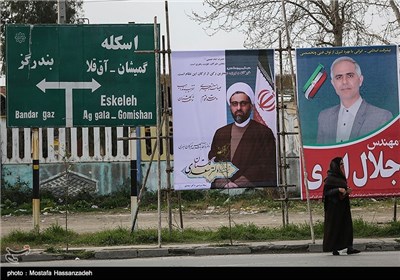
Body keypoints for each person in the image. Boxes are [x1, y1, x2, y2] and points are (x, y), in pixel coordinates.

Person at [208, 82, 277, 189]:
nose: (239, 108)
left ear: (251, 105)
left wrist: (238, 184)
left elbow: (265, 164)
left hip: (252, 190)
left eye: (243, 103)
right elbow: (213, 160)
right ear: (230, 106)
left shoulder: (263, 132)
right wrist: (223, 182)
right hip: (223, 189)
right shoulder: (221, 132)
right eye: (234, 104)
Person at [317, 56, 393, 144]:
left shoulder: (382, 118)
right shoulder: (324, 117)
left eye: (350, 76)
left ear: (360, 80)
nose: (344, 81)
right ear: (333, 84)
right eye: (338, 77)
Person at [322, 156, 361, 256]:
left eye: (343, 164)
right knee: (335, 228)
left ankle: (349, 247)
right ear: (335, 166)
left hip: (343, 206)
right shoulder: (330, 179)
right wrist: (338, 189)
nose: (343, 166)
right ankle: (334, 249)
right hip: (334, 209)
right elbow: (326, 193)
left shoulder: (340, 177)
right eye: (341, 164)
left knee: (346, 227)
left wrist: (346, 191)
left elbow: (342, 193)